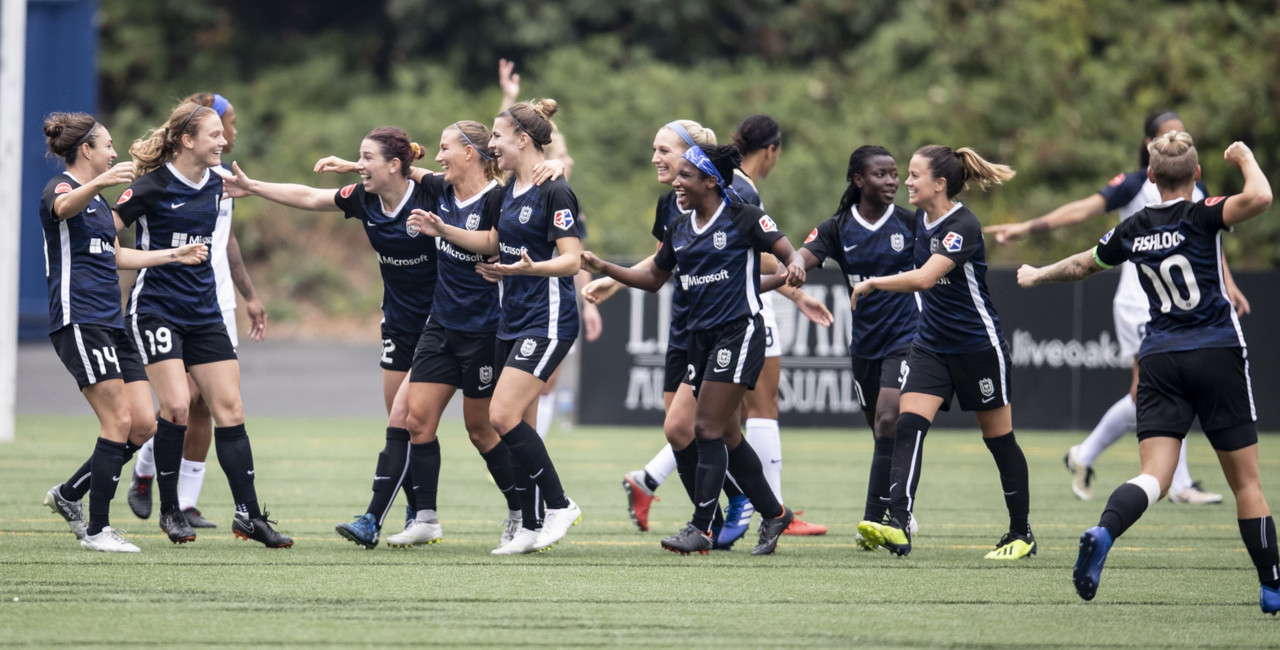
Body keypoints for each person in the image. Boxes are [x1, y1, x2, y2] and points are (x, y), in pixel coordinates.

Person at [1015, 133, 1278, 612]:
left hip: (1159, 357)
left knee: (1154, 476)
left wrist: (1036, 273)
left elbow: (1080, 266)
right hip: (1217, 350)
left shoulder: (1133, 227)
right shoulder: (1205, 212)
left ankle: (1105, 530)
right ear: (1196, 176)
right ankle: (1273, 585)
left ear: (1151, 177)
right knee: (1246, 485)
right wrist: (1244, 157)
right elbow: (1260, 196)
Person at [592, 121, 829, 545]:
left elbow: (783, 251)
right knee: (721, 432)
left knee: (704, 428)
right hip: (696, 337)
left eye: (685, 174)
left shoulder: (744, 213)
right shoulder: (679, 225)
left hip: (738, 332)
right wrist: (604, 268)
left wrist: (794, 268)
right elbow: (652, 278)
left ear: (709, 179)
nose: (676, 182)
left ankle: (702, 526)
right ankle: (774, 513)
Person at [985, 110, 1235, 505]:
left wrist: (1228, 284)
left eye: (1181, 132)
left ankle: (1087, 456)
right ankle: (1176, 483)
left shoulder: (1196, 186)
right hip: (1142, 302)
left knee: (1154, 392)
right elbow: (1082, 211)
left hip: (1182, 305)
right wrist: (1025, 228)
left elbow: (1208, 242)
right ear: (1149, 145)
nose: (1176, 139)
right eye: (1168, 134)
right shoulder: (1136, 184)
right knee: (1160, 388)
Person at [223, 126, 439, 548]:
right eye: (357, 157)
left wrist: (406, 171)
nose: (358, 165)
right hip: (398, 323)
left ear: (396, 165)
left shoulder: (430, 194)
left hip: (441, 324)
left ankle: (376, 519)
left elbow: (461, 180)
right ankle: (422, 515)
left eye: (367, 158)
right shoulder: (364, 199)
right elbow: (308, 196)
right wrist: (254, 187)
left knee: (412, 419)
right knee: (406, 422)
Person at [409, 98, 583, 554]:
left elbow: (571, 259)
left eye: (499, 136)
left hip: (546, 322)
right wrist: (443, 230)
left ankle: (560, 505)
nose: (493, 145)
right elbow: (491, 241)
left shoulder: (554, 189)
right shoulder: (508, 191)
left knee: (499, 416)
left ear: (522, 140)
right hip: (512, 320)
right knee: (511, 426)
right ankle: (529, 525)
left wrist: (527, 270)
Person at [118, 101, 292, 547]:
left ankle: (250, 516)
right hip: (156, 308)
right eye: (213, 134)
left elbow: (238, 223)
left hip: (204, 311)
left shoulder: (218, 184)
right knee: (176, 405)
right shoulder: (151, 186)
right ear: (187, 140)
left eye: (222, 133)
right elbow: (103, 239)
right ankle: (171, 510)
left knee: (229, 410)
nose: (223, 140)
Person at [853, 145, 1034, 560]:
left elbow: (925, 279)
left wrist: (873, 282)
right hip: (931, 346)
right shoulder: (922, 218)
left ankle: (1021, 532)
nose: (907, 182)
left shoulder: (963, 224)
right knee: (907, 425)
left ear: (940, 183)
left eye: (915, 175)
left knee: (999, 440)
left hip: (977, 349)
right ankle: (898, 524)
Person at [38, 113, 208, 553]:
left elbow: (115, 256)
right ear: (86, 151)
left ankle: (69, 493)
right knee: (116, 421)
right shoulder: (65, 190)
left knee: (143, 425)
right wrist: (100, 182)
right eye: (108, 146)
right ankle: (96, 529)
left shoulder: (97, 206)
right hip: (79, 322)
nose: (115, 153)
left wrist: (175, 254)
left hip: (112, 323)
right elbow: (60, 208)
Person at [794, 145, 921, 547]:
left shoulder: (910, 223)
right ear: (858, 180)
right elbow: (803, 255)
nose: (892, 181)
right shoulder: (837, 228)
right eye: (881, 175)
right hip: (864, 344)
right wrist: (794, 267)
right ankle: (897, 501)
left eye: (894, 174)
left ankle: (875, 519)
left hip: (907, 336)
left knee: (889, 420)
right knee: (879, 430)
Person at [726, 114, 828, 538]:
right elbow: (760, 255)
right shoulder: (742, 188)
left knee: (716, 418)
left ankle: (652, 481)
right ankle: (775, 510)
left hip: (721, 305)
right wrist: (795, 283)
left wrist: (797, 295)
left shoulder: (726, 182)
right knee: (758, 409)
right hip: (746, 307)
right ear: (771, 150)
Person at [498, 59, 603, 439]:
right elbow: (500, 146)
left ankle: (547, 490)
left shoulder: (559, 193)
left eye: (567, 157)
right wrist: (508, 99)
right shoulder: (521, 184)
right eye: (564, 156)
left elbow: (576, 255)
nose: (569, 161)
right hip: (515, 307)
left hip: (547, 309)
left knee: (539, 389)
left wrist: (588, 302)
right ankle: (535, 490)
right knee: (520, 403)